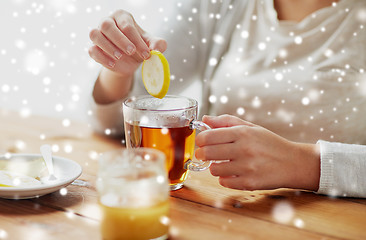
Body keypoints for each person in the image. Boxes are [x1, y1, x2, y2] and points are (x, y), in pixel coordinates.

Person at [88, 0, 366, 197]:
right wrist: (120, 69)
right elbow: (115, 125)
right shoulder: (218, 5)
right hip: (222, 212)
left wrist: (303, 164)